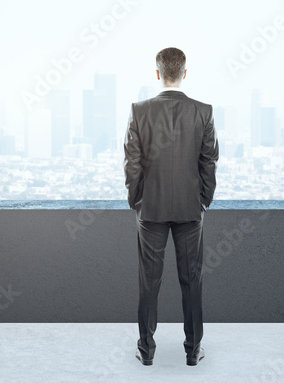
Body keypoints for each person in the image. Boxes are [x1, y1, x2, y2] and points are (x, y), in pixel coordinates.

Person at [124, 47, 219, 367]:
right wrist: (204, 199)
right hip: (190, 209)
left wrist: (136, 200)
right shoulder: (203, 111)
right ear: (185, 73)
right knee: (192, 280)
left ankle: (146, 350)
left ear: (157, 73)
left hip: (150, 209)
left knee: (148, 281)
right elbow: (209, 161)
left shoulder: (139, 111)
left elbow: (132, 163)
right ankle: (193, 350)